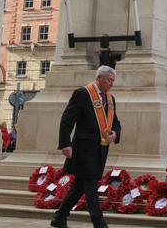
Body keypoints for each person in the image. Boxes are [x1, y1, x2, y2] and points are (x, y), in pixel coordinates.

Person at [51, 66, 120, 228]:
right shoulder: (82, 94)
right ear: (99, 78)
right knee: (91, 184)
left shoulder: (110, 99)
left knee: (80, 185)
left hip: (100, 150)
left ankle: (60, 217)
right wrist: (65, 144)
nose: (111, 84)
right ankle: (98, 222)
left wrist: (115, 134)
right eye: (109, 80)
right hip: (83, 149)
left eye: (113, 81)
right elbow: (67, 119)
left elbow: (115, 122)